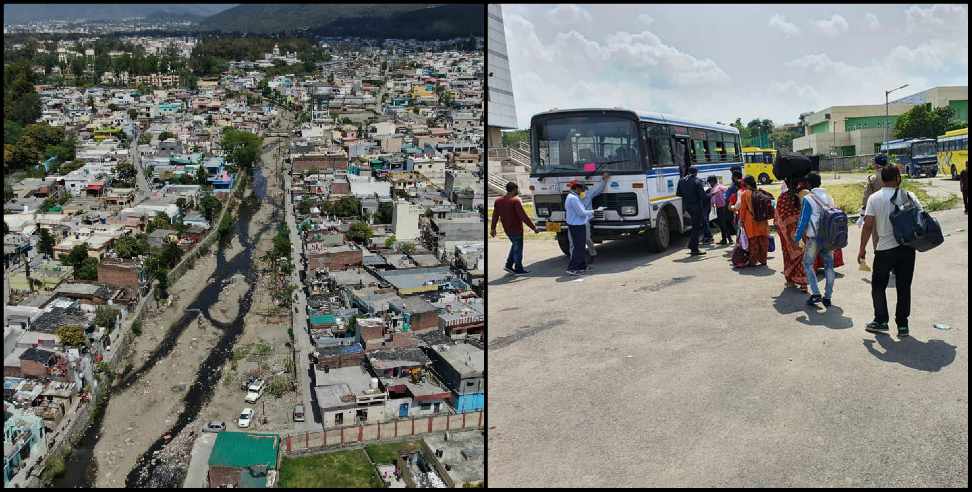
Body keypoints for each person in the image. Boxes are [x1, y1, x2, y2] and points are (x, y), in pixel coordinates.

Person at [859, 165, 920, 338]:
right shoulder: (909, 196)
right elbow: (920, 218)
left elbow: (868, 225)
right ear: (898, 178)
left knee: (878, 286)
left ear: (882, 179)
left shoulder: (874, 198)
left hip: (884, 249)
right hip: (907, 249)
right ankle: (903, 326)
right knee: (904, 287)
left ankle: (881, 321)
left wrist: (862, 248)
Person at [794, 173, 836, 306]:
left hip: (814, 238)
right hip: (828, 238)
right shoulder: (829, 197)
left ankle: (816, 293)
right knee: (829, 266)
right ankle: (828, 297)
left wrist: (797, 237)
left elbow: (803, 220)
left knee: (807, 264)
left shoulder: (808, 199)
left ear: (808, 184)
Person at [490, 181, 538, 275]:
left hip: (507, 229)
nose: (517, 191)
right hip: (516, 229)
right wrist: (533, 228)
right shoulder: (515, 201)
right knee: (518, 249)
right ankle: (518, 268)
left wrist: (493, 228)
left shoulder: (498, 201)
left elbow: (495, 215)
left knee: (515, 246)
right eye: (517, 189)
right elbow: (523, 216)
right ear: (514, 189)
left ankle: (508, 265)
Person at [774, 177, 808, 291]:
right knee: (802, 255)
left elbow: (778, 217)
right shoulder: (802, 195)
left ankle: (789, 281)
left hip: (786, 232)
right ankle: (803, 284)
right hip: (801, 230)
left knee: (788, 255)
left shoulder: (782, 197)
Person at [731, 175, 769, 266]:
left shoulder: (745, 194)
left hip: (751, 222)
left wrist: (741, 222)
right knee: (763, 241)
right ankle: (763, 260)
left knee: (753, 242)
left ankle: (753, 261)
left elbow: (743, 210)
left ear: (746, 184)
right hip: (763, 221)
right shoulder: (761, 192)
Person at [564, 179, 596, 275]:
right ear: (577, 188)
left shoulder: (571, 196)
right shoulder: (573, 198)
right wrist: (594, 211)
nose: (583, 191)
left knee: (580, 247)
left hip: (575, 224)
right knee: (578, 248)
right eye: (582, 189)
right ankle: (572, 268)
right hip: (577, 225)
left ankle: (582, 266)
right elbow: (581, 213)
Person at [580, 173, 612, 263]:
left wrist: (604, 180)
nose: (581, 192)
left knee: (587, 239)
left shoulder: (588, 194)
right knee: (573, 242)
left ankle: (592, 254)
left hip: (585, 220)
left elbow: (598, 189)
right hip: (574, 222)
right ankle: (576, 259)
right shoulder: (572, 198)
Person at [676, 166, 707, 255]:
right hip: (696, 207)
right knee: (697, 228)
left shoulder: (681, 180)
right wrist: (710, 194)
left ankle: (691, 245)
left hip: (687, 207)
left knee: (694, 227)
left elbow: (678, 194)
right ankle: (694, 249)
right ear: (696, 172)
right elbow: (703, 196)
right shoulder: (697, 181)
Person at [706, 176, 733, 245]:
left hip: (720, 208)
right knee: (724, 223)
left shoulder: (715, 189)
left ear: (712, 182)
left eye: (709, 182)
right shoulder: (721, 186)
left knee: (722, 224)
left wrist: (709, 196)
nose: (709, 184)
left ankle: (726, 239)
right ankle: (728, 239)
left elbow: (712, 199)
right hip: (726, 206)